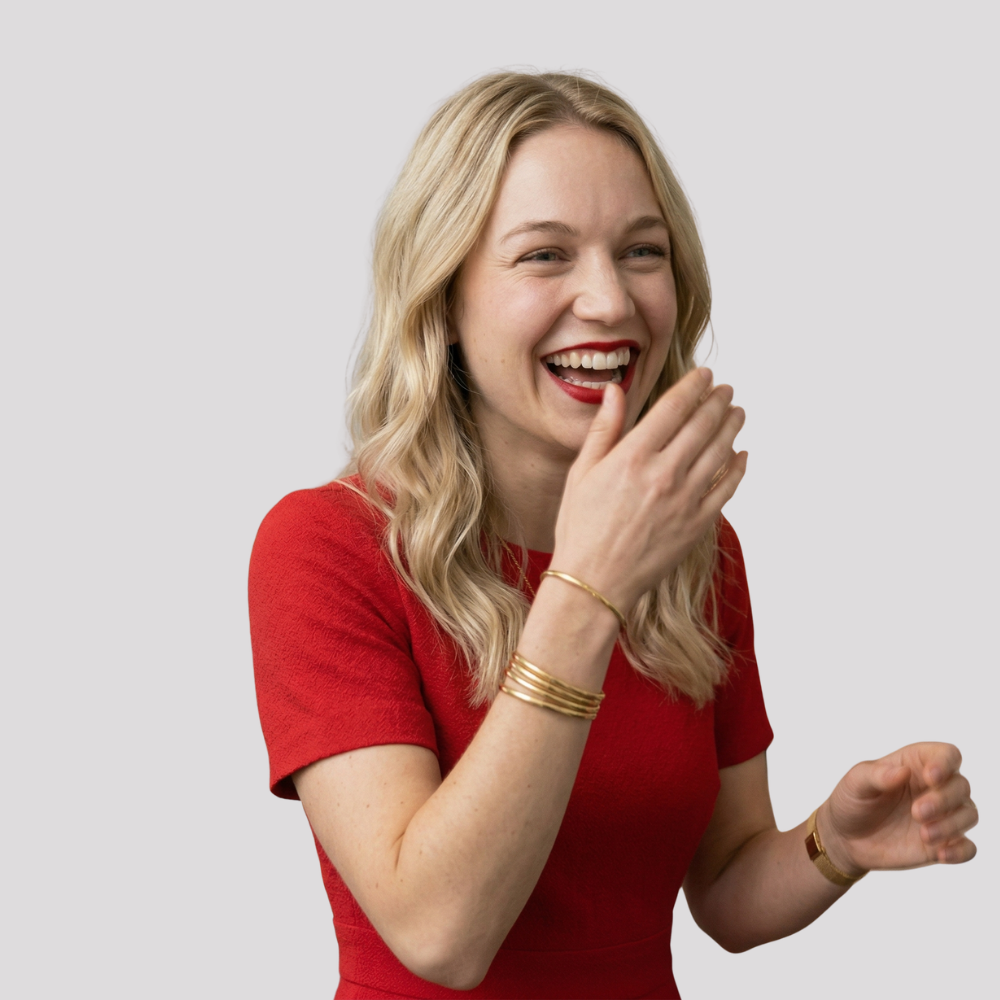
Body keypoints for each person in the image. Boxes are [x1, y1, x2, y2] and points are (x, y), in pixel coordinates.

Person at [248, 72, 978, 999]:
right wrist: (589, 586)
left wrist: (833, 842)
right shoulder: (326, 547)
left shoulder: (697, 549)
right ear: (444, 301)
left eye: (641, 251)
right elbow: (440, 935)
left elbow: (724, 888)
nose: (608, 300)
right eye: (544, 255)